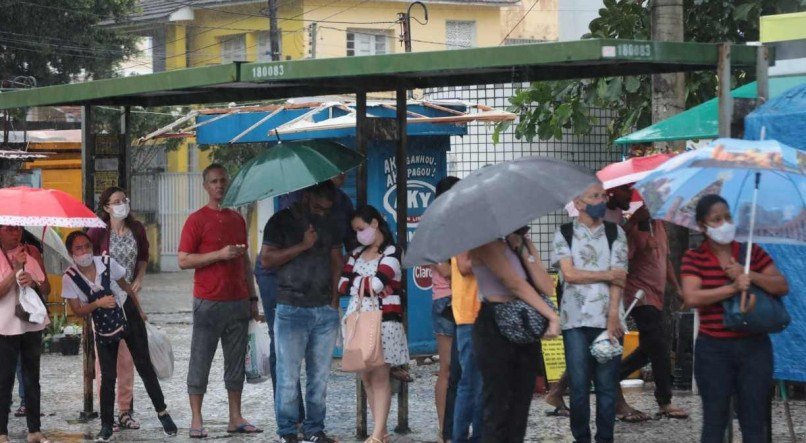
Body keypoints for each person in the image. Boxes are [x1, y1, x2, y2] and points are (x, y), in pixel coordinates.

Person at [680, 194, 788, 443]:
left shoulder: (752, 253)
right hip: (713, 350)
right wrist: (732, 287)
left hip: (754, 348)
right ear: (702, 226)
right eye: (716, 220)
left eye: (727, 217)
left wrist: (750, 275)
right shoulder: (694, 258)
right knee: (714, 421)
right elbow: (692, 296)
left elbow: (781, 285)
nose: (724, 223)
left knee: (754, 421)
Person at [254, 173, 354, 420]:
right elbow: (266, 260)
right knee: (288, 374)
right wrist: (302, 245)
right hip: (290, 305)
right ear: (307, 197)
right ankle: (288, 428)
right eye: (318, 207)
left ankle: (314, 428)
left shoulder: (330, 221)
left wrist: (334, 300)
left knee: (319, 377)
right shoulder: (281, 222)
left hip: (322, 306)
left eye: (326, 209)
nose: (321, 213)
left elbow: (335, 261)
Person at [60, 231, 176, 442]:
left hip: (127, 314)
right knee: (108, 375)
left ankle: (163, 412)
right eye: (78, 248)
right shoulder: (70, 278)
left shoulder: (106, 262)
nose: (84, 251)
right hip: (104, 325)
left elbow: (127, 288)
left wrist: (140, 312)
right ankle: (106, 425)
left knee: (144, 366)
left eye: (87, 246)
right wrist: (97, 303)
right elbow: (77, 310)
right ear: (71, 253)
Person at [177, 163, 261, 438]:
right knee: (200, 359)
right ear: (205, 186)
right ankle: (196, 419)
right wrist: (218, 255)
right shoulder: (196, 220)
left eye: (223, 181)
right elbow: (183, 259)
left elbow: (246, 261)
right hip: (208, 302)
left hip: (237, 300)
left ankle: (235, 416)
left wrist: (253, 296)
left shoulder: (237, 219)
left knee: (236, 362)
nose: (219, 186)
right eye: (214, 181)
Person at [603, 185, 690, 422]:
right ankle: (665, 401)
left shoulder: (659, 226)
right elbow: (621, 260)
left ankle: (611, 374)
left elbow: (666, 260)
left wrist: (677, 288)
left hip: (656, 293)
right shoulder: (634, 227)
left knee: (651, 345)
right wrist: (638, 238)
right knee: (659, 344)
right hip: (639, 294)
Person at [551, 182, 628, 443]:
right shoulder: (564, 233)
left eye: (603, 195)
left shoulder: (615, 233)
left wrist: (613, 317)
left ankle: (605, 438)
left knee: (607, 387)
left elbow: (621, 278)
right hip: (574, 320)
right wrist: (606, 274)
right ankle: (581, 438)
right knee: (579, 387)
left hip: (608, 319)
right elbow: (569, 275)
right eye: (595, 196)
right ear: (579, 202)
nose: (602, 200)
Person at [470, 227, 560, 443]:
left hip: (523, 324)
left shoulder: (522, 243)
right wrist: (552, 316)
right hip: (494, 325)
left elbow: (548, 287)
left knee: (520, 405)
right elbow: (514, 283)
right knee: (498, 404)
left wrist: (522, 250)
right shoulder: (483, 241)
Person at [338, 205, 408, 443]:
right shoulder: (356, 253)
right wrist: (364, 283)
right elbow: (341, 286)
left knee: (379, 376)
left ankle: (377, 433)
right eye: (356, 230)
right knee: (366, 376)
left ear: (375, 223)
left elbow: (377, 285)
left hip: (385, 321)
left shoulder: (393, 251)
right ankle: (382, 431)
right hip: (358, 321)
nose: (359, 234)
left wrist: (359, 282)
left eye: (361, 228)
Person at [87, 186, 150, 431]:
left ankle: (125, 410)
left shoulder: (137, 229)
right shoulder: (97, 232)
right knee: (106, 362)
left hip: (129, 299)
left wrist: (140, 278)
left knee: (127, 358)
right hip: (105, 302)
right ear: (106, 207)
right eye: (116, 201)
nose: (122, 204)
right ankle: (107, 414)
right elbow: (85, 261)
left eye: (124, 199)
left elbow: (144, 256)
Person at [0, 225, 50, 443]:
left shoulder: (31, 251)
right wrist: (16, 269)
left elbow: (46, 288)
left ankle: (34, 430)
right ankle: (2, 431)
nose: (15, 233)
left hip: (31, 323)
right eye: (9, 229)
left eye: (18, 228)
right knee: (4, 378)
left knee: (32, 377)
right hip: (5, 324)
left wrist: (34, 281)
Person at [430, 176, 459, 442]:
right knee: (448, 367)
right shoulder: (435, 228)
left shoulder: (465, 226)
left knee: (467, 368)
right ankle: (444, 428)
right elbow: (443, 269)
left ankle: (458, 426)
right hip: (446, 300)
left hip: (469, 300)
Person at [450, 249, 482, 443]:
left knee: (482, 384)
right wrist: (496, 259)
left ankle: (479, 436)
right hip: (469, 315)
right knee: (470, 383)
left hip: (486, 314)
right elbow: (464, 266)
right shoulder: (464, 230)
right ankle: (460, 438)